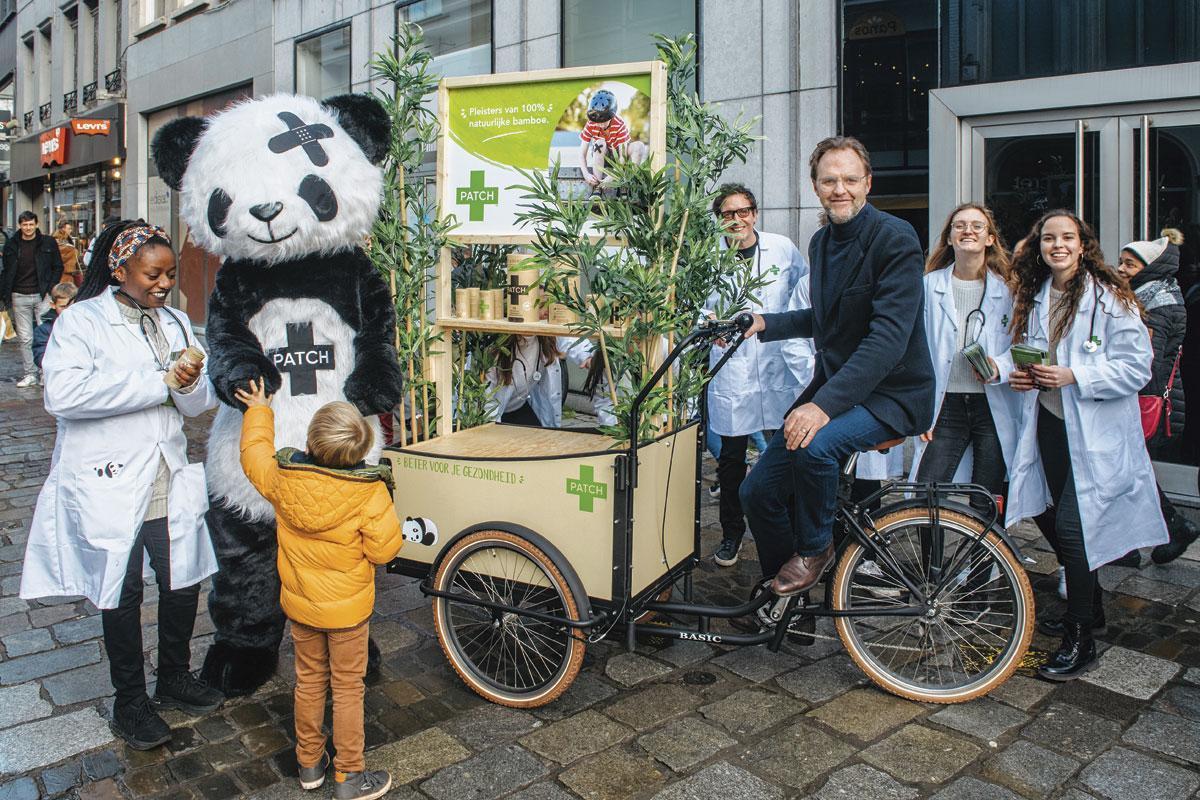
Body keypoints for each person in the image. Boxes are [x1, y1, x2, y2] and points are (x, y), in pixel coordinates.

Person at [20, 221, 223, 749]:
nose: (164, 284)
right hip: (109, 476)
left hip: (167, 470)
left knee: (182, 580)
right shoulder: (83, 322)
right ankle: (130, 700)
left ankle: (174, 676)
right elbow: (62, 396)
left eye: (170, 274)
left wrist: (190, 384)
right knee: (124, 588)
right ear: (120, 270)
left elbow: (198, 407)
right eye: (152, 274)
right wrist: (156, 383)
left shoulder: (177, 321)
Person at [739, 136, 934, 595]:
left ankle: (815, 549)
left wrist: (821, 406)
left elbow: (887, 338)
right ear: (815, 186)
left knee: (814, 445)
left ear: (868, 182)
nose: (839, 188)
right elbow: (824, 318)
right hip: (843, 389)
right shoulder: (822, 242)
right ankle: (786, 599)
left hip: (893, 394)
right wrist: (763, 322)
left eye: (849, 179)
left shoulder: (895, 237)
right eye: (829, 180)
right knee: (757, 492)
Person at [1003, 210, 1168, 681]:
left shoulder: (1111, 297)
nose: (1057, 245)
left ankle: (1082, 637)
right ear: (1040, 247)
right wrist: (1025, 375)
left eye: (1067, 237)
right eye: (1049, 238)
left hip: (1096, 431)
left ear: (1082, 244)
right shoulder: (1035, 296)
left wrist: (1077, 375)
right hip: (1051, 423)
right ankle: (1089, 604)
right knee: (1048, 513)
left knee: (1074, 528)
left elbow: (1138, 368)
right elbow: (1036, 354)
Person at [235, 378, 402, 800]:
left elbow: (253, 456)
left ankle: (309, 763)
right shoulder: (369, 494)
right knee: (348, 688)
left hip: (302, 606)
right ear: (361, 452)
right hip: (348, 615)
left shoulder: (282, 479)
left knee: (308, 681)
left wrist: (259, 409)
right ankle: (349, 776)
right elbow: (385, 551)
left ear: (310, 440)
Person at [706, 183, 806, 567]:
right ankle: (731, 534)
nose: (737, 220)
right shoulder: (709, 258)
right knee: (731, 461)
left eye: (743, 211)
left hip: (778, 362)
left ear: (755, 213)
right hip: (733, 366)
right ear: (719, 220)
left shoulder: (782, 248)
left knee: (790, 451)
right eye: (728, 214)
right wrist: (708, 323)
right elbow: (698, 306)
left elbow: (803, 294)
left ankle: (797, 535)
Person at [910, 203, 1022, 514]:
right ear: (948, 238)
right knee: (926, 494)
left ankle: (982, 565)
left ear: (990, 239)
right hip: (945, 406)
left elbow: (1026, 344)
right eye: (959, 226)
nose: (967, 231)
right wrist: (920, 408)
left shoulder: (1009, 290)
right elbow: (914, 349)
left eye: (976, 226)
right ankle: (933, 564)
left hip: (992, 404)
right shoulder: (928, 286)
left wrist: (1000, 365)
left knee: (985, 499)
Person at [1116, 237, 1198, 565]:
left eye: (1130, 264)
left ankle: (1170, 530)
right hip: (1143, 399)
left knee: (1128, 472)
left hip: (1143, 400)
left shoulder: (1157, 302)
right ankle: (1168, 530)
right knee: (1130, 471)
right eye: (1121, 261)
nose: (1121, 268)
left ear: (1149, 268)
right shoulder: (1144, 296)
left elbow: (1149, 363)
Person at [1, 211, 65, 388]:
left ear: (36, 224)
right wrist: (5, 294)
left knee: (46, 335)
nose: (28, 228)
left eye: (30, 224)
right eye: (24, 225)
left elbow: (57, 266)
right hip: (18, 295)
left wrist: (51, 288)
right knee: (25, 338)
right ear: (20, 225)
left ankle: (46, 373)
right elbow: (6, 271)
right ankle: (30, 374)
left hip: (42, 295)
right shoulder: (12, 244)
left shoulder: (47, 242)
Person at [486, 335, 564, 427]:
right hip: (491, 412)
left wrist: (585, 356)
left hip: (518, 407)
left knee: (541, 438)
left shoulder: (544, 338)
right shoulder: (494, 347)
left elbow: (570, 332)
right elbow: (485, 399)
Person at [31, 281, 78, 369]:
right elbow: (40, 358)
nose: (67, 310)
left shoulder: (84, 325)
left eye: (71, 306)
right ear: (53, 305)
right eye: (63, 307)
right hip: (58, 374)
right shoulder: (44, 330)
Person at [53, 219, 81, 286]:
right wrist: (73, 251)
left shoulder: (67, 239)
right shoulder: (57, 240)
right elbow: (59, 257)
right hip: (62, 275)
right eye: (69, 229)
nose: (70, 231)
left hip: (68, 275)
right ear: (63, 229)